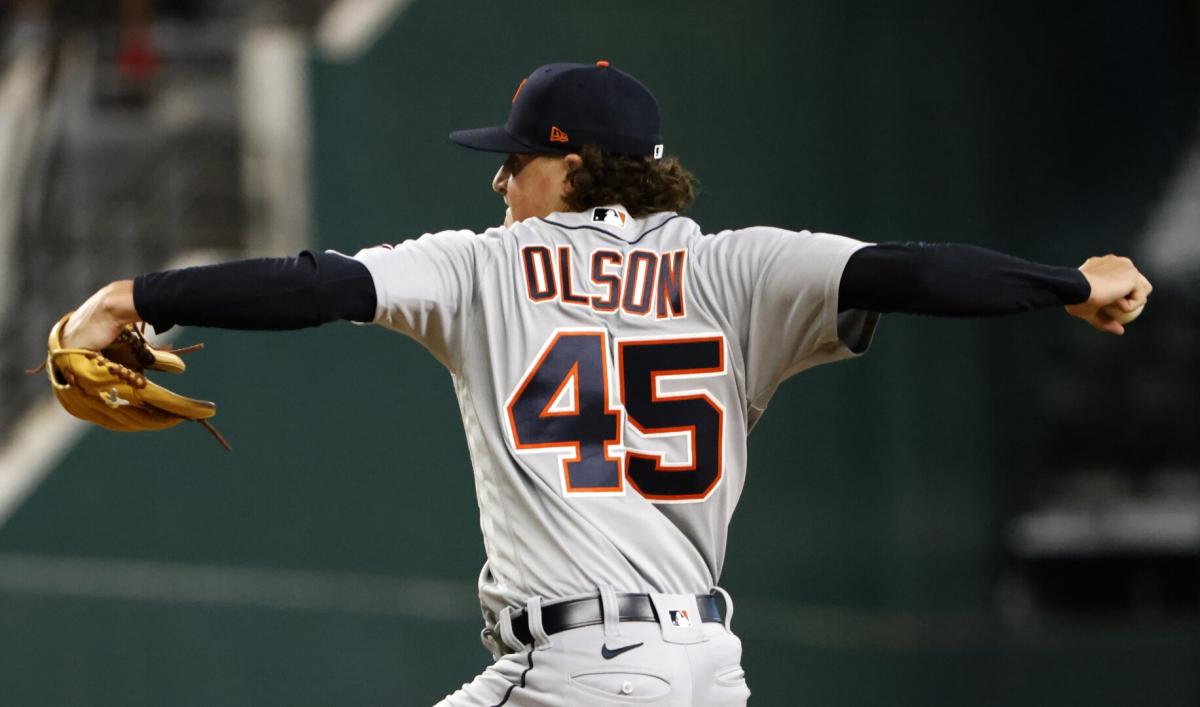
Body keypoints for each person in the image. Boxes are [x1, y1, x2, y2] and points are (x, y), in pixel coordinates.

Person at [59, 61, 1152, 706]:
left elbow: (315, 285)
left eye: (517, 156)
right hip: (696, 665)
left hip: (584, 665)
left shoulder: (483, 263)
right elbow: (909, 271)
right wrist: (1068, 283)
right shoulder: (742, 266)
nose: (499, 177)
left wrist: (140, 294)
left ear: (573, 164)